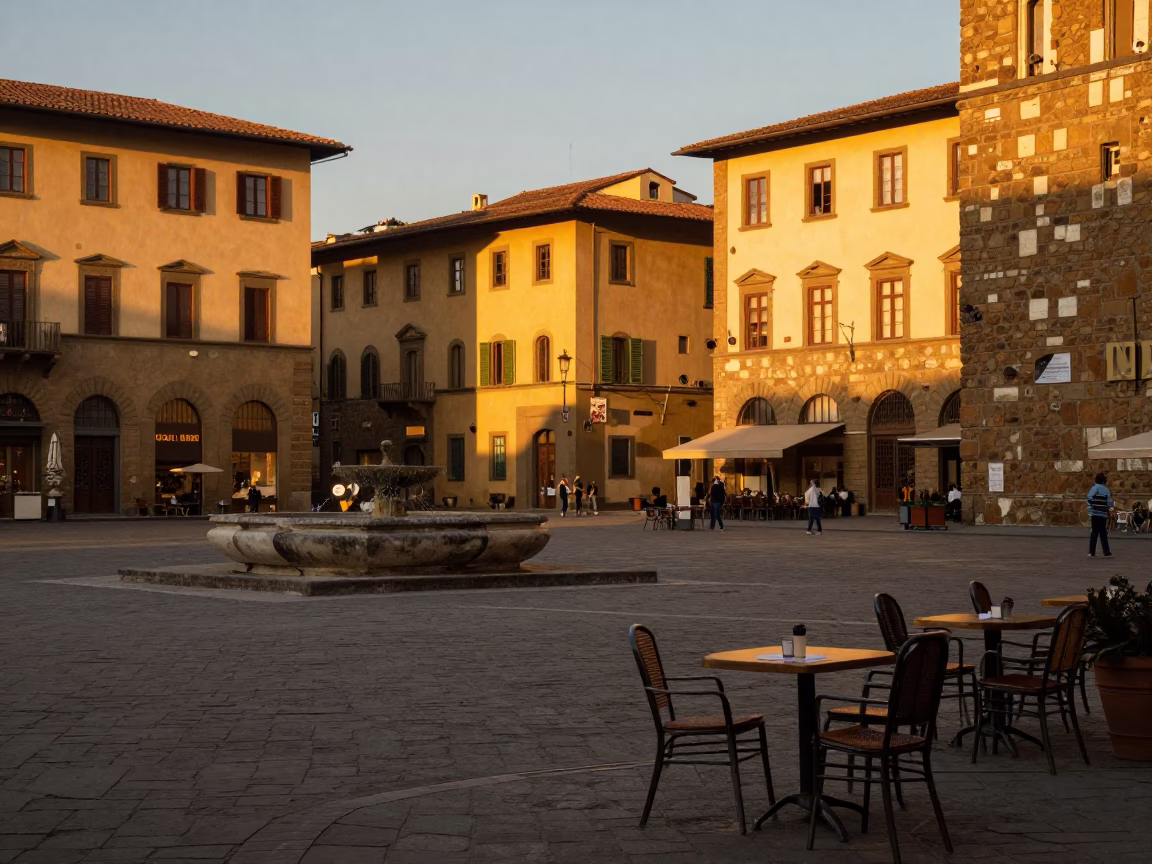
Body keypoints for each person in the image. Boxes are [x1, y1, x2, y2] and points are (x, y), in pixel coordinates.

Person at [1087, 472, 1114, 558]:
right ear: (1104, 481)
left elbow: (1089, 498)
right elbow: (1109, 502)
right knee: (1103, 532)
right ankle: (1106, 552)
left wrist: (1091, 506)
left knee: (1094, 532)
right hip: (1103, 514)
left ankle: (1092, 552)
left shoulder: (1094, 488)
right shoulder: (1106, 490)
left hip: (1094, 513)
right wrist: (1111, 508)